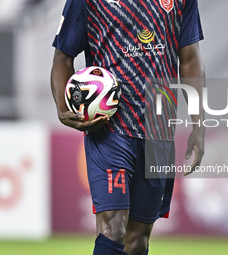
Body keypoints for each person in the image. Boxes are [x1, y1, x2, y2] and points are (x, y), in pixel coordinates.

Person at [50, 0, 205, 254]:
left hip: (159, 128)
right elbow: (62, 59)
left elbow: (190, 59)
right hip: (109, 127)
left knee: (138, 239)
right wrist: (62, 107)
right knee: (114, 227)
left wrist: (199, 124)